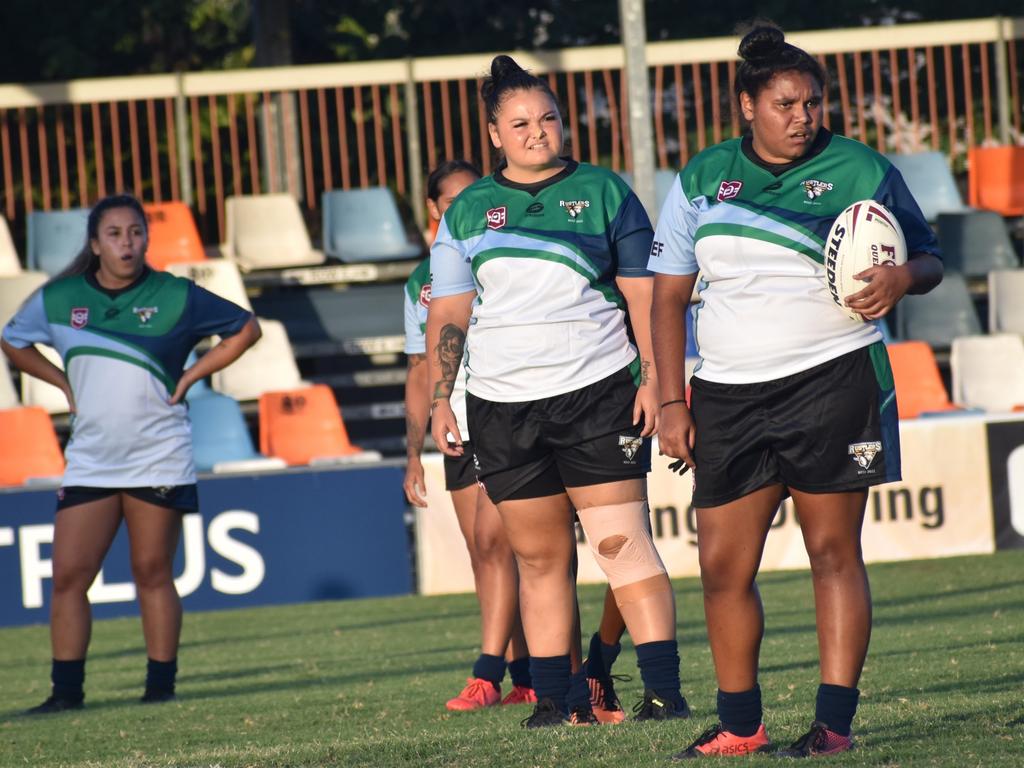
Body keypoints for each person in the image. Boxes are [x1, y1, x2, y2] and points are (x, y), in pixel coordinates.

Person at [650, 24, 942, 759]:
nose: (803, 116)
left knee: (833, 552)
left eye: (813, 102)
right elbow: (665, 300)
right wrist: (672, 401)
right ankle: (741, 723)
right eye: (785, 103)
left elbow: (930, 256)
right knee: (721, 566)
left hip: (837, 379)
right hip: (726, 394)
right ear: (747, 104)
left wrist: (904, 277)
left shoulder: (860, 166)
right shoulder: (700, 178)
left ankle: (834, 727)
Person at [427, 54, 689, 728]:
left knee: (620, 545)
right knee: (540, 559)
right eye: (520, 123)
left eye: (547, 118)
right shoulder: (465, 213)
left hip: (599, 394)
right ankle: (557, 703)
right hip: (501, 407)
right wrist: (439, 399)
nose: (537, 131)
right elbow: (450, 315)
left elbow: (643, 297)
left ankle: (664, 692)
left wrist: (657, 380)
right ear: (494, 134)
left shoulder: (606, 192)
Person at [2, 193, 261, 713]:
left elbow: (246, 329)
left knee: (151, 571)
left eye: (136, 232)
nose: (127, 242)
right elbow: (13, 340)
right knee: (70, 576)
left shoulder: (176, 294)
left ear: (147, 237)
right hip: (92, 459)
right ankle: (65, 695)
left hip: (159, 454)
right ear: (95, 244)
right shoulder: (59, 298)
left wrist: (192, 375)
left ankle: (160, 690)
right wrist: (61, 382)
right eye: (115, 234)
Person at [403, 159, 537, 710]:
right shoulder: (421, 282)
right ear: (433, 209)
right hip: (454, 420)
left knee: (507, 544)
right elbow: (418, 368)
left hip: (504, 410)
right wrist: (413, 453)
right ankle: (519, 671)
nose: (462, 208)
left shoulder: (507, 251)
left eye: (470, 197)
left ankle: (501, 671)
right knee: (484, 553)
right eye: (450, 201)